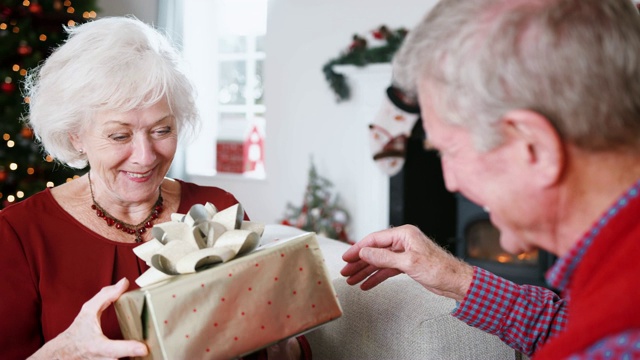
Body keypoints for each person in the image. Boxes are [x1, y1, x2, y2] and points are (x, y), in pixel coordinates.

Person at [341, 0, 640, 358]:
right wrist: (452, 276)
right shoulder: (615, 288)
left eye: (448, 152)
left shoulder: (617, 341)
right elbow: (568, 325)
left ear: (536, 148)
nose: (450, 183)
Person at [0, 16, 307, 360]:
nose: (145, 157)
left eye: (162, 130)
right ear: (76, 135)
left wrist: (281, 338)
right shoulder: (20, 233)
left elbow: (276, 338)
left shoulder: (215, 208)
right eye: (120, 135)